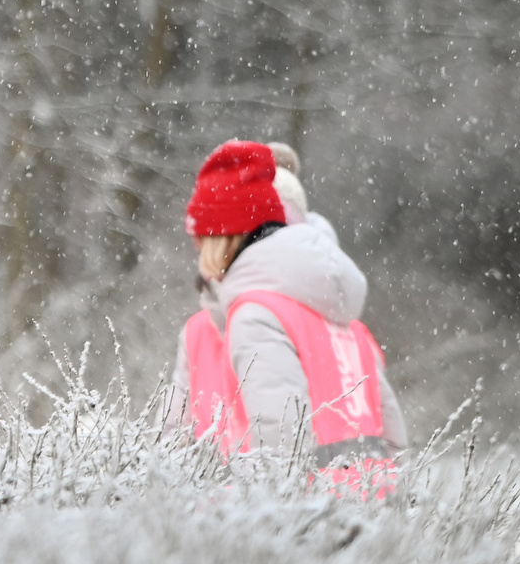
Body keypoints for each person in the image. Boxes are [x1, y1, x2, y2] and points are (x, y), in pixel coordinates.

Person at [168, 140, 408, 487]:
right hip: (368, 520)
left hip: (292, 527)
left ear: (222, 239)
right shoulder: (346, 323)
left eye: (201, 239)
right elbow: (395, 444)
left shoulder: (255, 316)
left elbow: (279, 451)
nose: (197, 252)